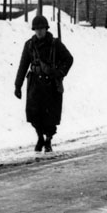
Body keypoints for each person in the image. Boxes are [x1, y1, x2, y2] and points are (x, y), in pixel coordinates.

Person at [14, 14, 74, 152]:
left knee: (50, 116)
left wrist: (59, 73)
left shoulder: (55, 44)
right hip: (35, 84)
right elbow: (23, 65)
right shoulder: (29, 45)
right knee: (34, 114)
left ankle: (48, 140)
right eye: (37, 29)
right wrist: (18, 85)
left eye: (41, 28)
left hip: (50, 84)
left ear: (46, 29)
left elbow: (69, 59)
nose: (39, 31)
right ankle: (40, 137)